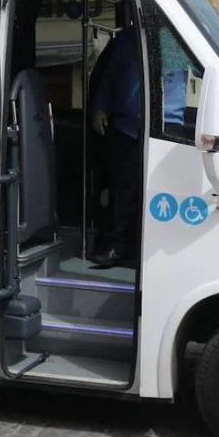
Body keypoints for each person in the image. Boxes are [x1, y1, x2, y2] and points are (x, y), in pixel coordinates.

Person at [89, 25, 143, 267]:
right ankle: (116, 246)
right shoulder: (124, 41)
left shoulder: (169, 36)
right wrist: (100, 107)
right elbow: (108, 76)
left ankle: (136, 245)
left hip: (162, 127)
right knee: (122, 191)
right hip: (125, 127)